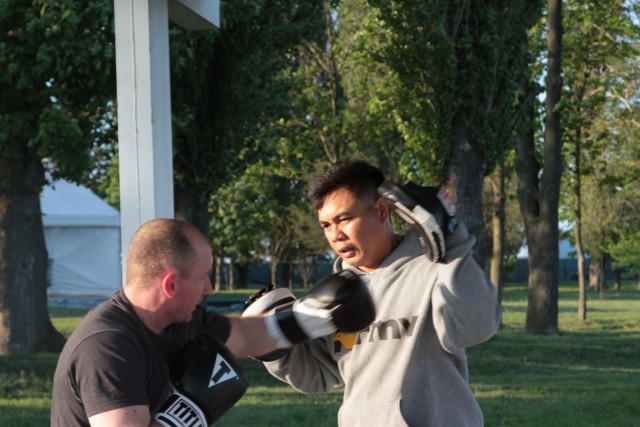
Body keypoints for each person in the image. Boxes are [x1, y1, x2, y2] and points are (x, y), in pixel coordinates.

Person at [50, 218, 374, 427]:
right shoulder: (108, 348)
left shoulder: (180, 319)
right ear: (171, 284)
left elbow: (248, 336)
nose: (210, 289)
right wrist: (188, 411)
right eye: (204, 277)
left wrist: (312, 319)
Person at [251, 159, 501, 426]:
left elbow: (479, 325)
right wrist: (272, 348)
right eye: (326, 225)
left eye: (344, 219)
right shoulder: (335, 293)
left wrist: (451, 241)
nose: (335, 235)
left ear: (382, 210)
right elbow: (320, 374)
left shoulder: (434, 268)